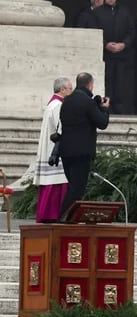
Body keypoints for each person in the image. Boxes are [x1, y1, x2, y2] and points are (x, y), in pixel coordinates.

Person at [57, 72, 110, 215]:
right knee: (77, 189)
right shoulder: (87, 102)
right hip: (82, 152)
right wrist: (104, 108)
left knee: (73, 187)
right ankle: (62, 218)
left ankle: (69, 219)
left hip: (66, 151)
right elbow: (102, 123)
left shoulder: (66, 101)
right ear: (90, 85)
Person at [30, 77, 73, 223]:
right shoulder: (58, 106)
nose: (71, 91)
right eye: (69, 88)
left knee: (53, 183)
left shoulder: (53, 104)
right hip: (56, 150)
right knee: (56, 182)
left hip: (51, 148)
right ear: (62, 90)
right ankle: (52, 215)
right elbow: (60, 128)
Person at [93, 0, 134, 114]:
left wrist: (124, 44)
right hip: (105, 54)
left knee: (120, 81)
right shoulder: (97, 12)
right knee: (107, 80)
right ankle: (106, 106)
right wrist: (105, 44)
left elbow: (131, 31)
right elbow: (94, 31)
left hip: (121, 54)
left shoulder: (124, 12)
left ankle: (120, 107)